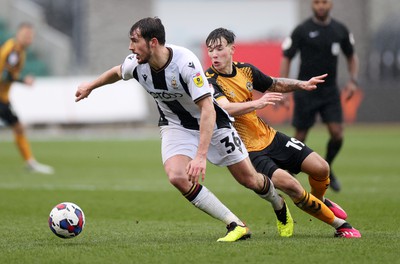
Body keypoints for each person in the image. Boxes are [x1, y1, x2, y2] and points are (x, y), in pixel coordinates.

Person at [75, 17, 295, 242]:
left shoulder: (185, 63)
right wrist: (90, 86)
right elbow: (117, 71)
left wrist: (200, 156)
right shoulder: (137, 63)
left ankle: (278, 203)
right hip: (176, 125)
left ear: (153, 42)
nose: (131, 47)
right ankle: (235, 224)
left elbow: (208, 109)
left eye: (135, 41)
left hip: (213, 123)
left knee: (251, 180)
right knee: (177, 176)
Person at [205, 27, 361, 238]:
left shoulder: (246, 71)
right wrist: (258, 103)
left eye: (219, 49)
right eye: (210, 50)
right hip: (249, 150)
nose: (214, 54)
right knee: (292, 186)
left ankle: (320, 201)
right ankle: (342, 226)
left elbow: (275, 83)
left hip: (271, 137)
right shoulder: (209, 80)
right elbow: (226, 108)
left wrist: (302, 84)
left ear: (232, 49)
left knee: (321, 168)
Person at [280, 0, 360, 192]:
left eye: (324, 2)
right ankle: (287, 174)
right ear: (312, 5)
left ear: (330, 4)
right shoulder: (301, 30)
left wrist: (353, 81)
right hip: (305, 90)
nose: (321, 6)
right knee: (300, 136)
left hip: (330, 92)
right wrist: (282, 88)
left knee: (337, 134)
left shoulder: (340, 30)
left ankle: (328, 167)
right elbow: (287, 57)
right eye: (317, 2)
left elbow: (351, 55)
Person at [0, 22, 54, 174]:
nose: (28, 39)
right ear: (18, 35)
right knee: (18, 128)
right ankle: (30, 162)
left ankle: (30, 162)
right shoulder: (14, 52)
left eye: (30, 36)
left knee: (18, 128)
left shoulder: (16, 49)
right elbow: (4, 76)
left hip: (3, 97)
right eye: (25, 35)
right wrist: (24, 81)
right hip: (1, 99)